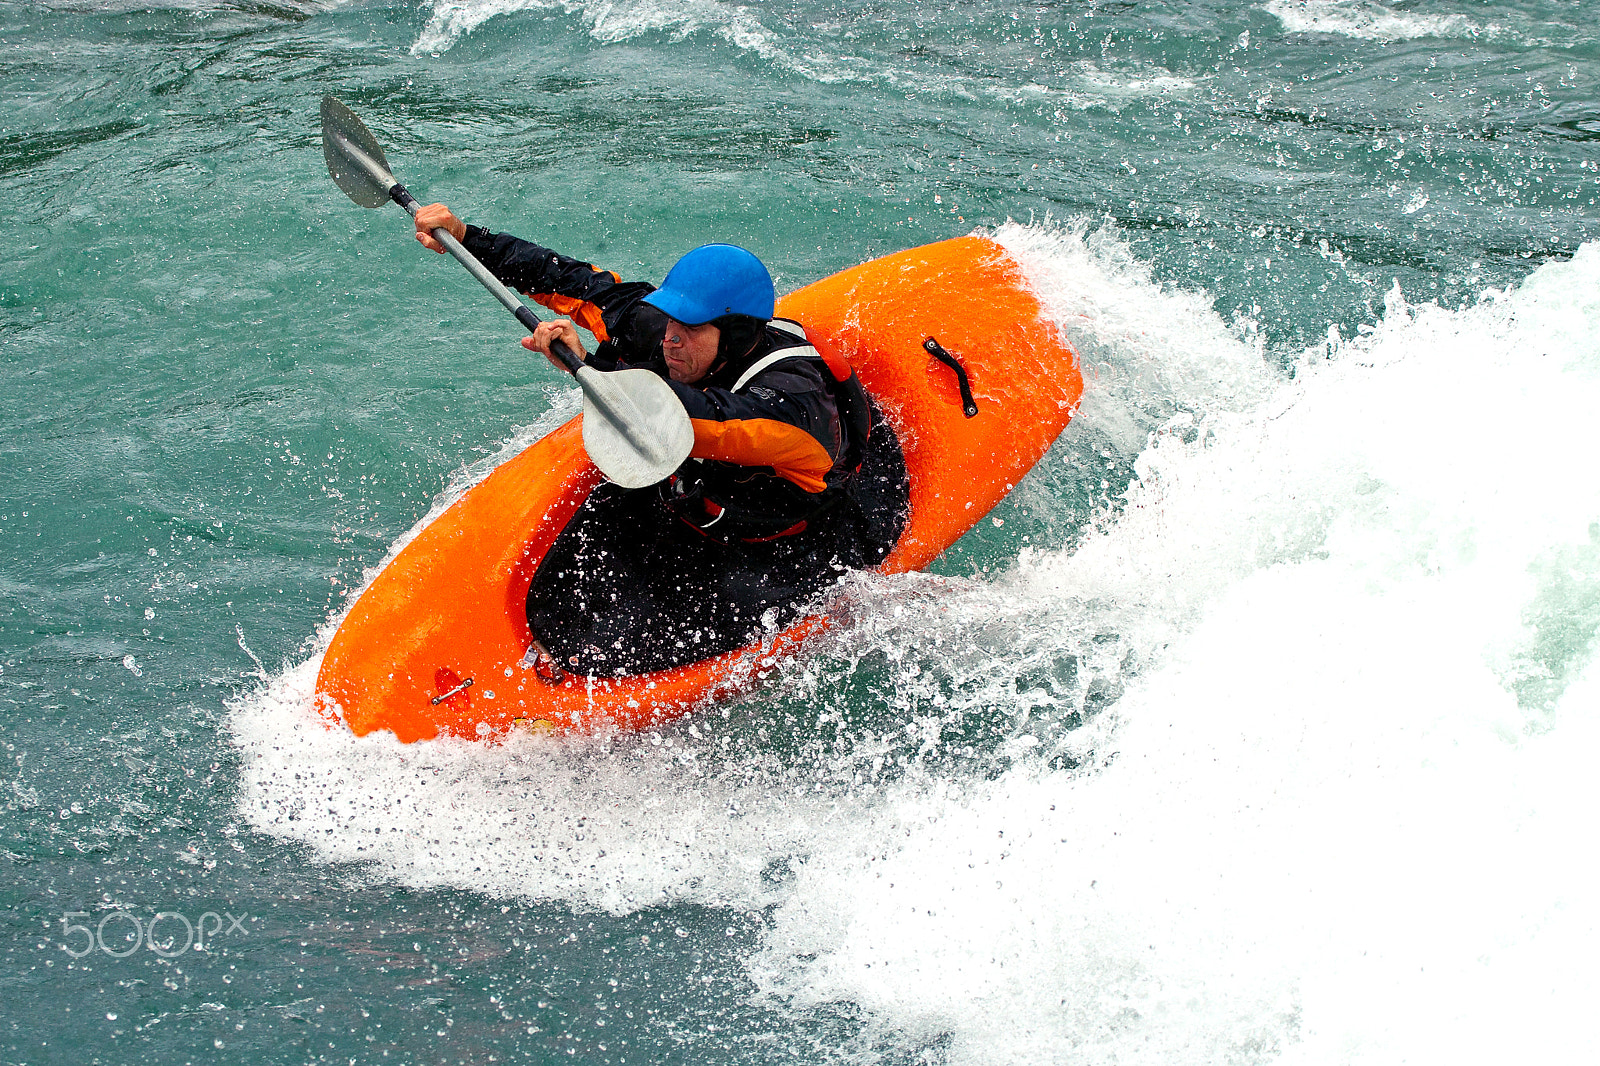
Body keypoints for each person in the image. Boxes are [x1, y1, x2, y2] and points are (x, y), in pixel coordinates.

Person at [413, 204, 910, 678]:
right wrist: (466, 237)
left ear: (733, 335)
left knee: (629, 644)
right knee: (573, 580)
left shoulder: (789, 410)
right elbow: (577, 284)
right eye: (670, 321)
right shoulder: (681, 335)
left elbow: (684, 418)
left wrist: (589, 364)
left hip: (793, 543)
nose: (670, 338)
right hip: (708, 490)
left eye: (688, 328)